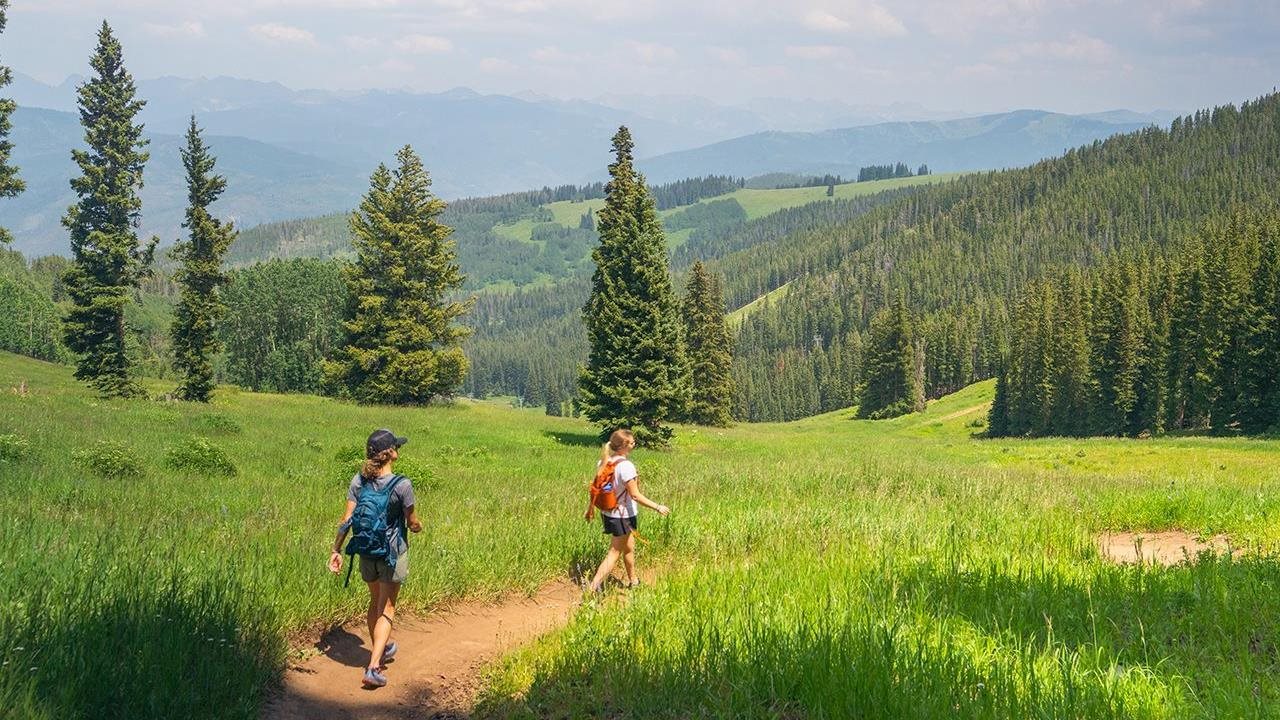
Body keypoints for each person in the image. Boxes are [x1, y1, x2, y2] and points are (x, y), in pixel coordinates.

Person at [328, 428, 423, 688]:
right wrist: (417, 526)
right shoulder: (402, 484)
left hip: (367, 550)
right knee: (387, 608)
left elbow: (346, 520)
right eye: (397, 447)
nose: (399, 450)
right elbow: (412, 522)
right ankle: (373, 667)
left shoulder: (359, 481)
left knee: (374, 602)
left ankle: (380, 649)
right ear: (390, 453)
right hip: (391, 554)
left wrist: (336, 550)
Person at [585, 429, 669, 593]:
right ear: (623, 446)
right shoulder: (626, 466)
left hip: (609, 513)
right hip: (623, 516)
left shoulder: (604, 461)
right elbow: (635, 495)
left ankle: (634, 581)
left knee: (629, 547)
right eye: (631, 443)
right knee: (614, 552)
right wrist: (658, 507)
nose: (634, 444)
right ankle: (592, 588)